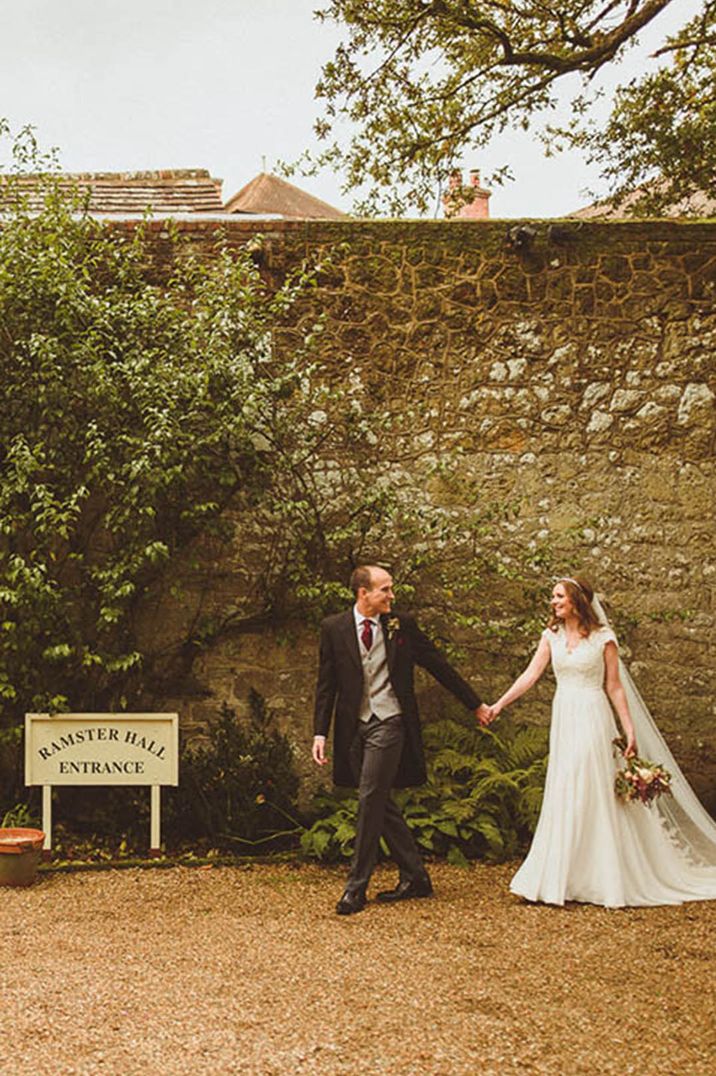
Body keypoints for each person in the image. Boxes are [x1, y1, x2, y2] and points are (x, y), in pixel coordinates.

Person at [487, 576, 716, 907]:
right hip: (564, 716)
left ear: (577, 600)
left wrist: (629, 730)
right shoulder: (550, 636)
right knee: (565, 785)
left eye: (559, 596)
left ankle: (601, 875)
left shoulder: (602, 639)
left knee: (590, 785)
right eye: (552, 597)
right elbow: (531, 675)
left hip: (593, 717)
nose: (553, 602)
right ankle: (561, 875)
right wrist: (499, 705)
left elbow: (614, 686)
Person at [313, 564, 491, 915]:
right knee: (380, 800)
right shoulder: (333, 628)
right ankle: (415, 875)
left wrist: (475, 704)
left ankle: (355, 888)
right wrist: (320, 732)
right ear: (363, 593)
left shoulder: (400, 626)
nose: (392, 596)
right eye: (385, 590)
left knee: (368, 798)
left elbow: (437, 664)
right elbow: (326, 684)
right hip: (354, 727)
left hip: (390, 721)